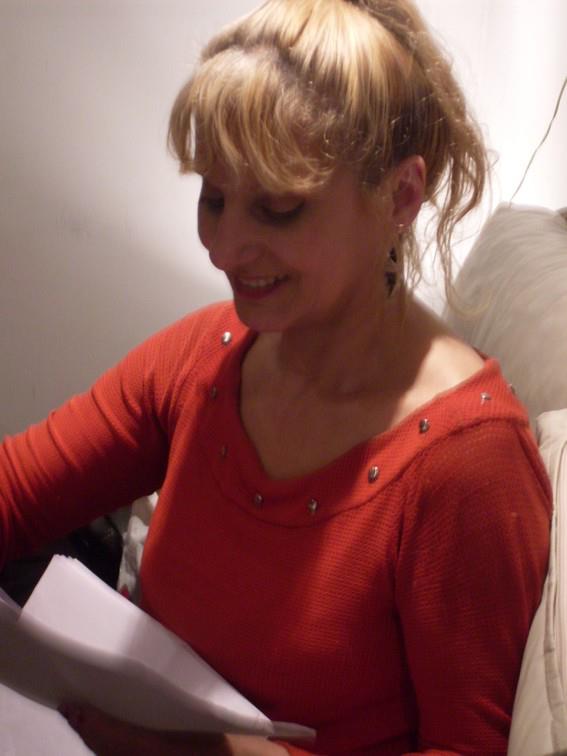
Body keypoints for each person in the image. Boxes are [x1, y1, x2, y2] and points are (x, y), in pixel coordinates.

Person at [0, 0, 551, 753]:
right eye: (213, 199)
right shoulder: (209, 354)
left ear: (400, 196)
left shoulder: (467, 468)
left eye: (278, 208)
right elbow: (17, 490)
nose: (224, 248)